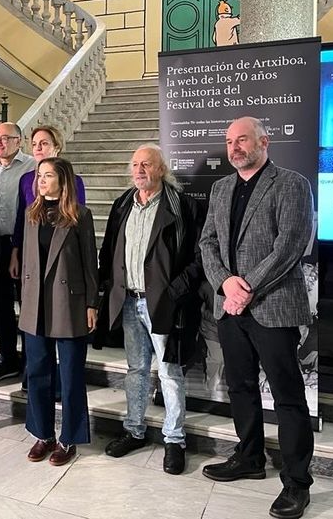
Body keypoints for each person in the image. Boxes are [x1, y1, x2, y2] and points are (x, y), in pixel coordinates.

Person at [199, 117, 315, 519]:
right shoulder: (220, 188)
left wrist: (244, 287)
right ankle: (249, 457)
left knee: (287, 397)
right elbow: (207, 243)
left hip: (272, 305)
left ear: (264, 142)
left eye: (242, 139)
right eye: (229, 141)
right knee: (241, 387)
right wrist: (225, 284)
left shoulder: (291, 183)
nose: (234, 147)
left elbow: (290, 246)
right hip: (230, 309)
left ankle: (297, 483)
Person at [98, 144, 205, 475]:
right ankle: (134, 430)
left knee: (170, 371)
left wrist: (175, 292)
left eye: (146, 164)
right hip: (129, 300)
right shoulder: (121, 205)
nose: (139, 169)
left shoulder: (183, 206)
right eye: (135, 164)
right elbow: (110, 248)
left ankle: (174, 440)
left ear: (161, 169)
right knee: (136, 369)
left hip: (165, 304)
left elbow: (200, 257)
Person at [19, 157, 98, 466]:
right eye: (40, 175)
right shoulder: (31, 214)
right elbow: (27, 262)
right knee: (37, 370)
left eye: (48, 176)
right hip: (35, 303)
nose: (41, 180)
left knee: (70, 373)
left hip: (69, 302)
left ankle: (69, 437)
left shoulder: (80, 215)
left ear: (63, 181)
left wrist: (92, 303)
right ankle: (43, 434)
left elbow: (91, 264)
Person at [5, 125, 86, 386]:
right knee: (33, 323)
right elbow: (22, 218)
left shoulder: (71, 179)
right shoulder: (26, 179)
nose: (38, 148)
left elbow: (75, 221)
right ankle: (33, 376)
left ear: (56, 147)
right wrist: (16, 251)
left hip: (60, 261)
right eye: (35, 144)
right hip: (33, 256)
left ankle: (59, 383)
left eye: (44, 143)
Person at [0, 122, 34, 382]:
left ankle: (29, 362)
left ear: (19, 141)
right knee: (2, 305)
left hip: (24, 244)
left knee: (27, 305)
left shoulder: (32, 167)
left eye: (5, 138)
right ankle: (7, 359)